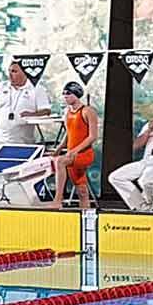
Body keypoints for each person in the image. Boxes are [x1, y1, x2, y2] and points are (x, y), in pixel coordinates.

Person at [111, 95, 153, 212]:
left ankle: (149, 204)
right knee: (115, 177)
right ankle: (142, 206)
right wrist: (148, 131)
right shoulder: (150, 124)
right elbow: (136, 145)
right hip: (146, 160)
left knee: (144, 181)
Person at [0, 60, 53, 155]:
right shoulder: (0, 87)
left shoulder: (36, 89)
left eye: (14, 71)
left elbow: (46, 111)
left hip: (23, 142)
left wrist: (32, 114)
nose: (10, 75)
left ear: (24, 73)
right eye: (9, 71)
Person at [52, 82, 100, 210]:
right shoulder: (67, 112)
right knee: (82, 191)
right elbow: (68, 134)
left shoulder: (87, 111)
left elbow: (93, 136)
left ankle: (57, 200)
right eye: (63, 94)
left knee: (60, 162)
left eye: (68, 93)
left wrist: (75, 151)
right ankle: (86, 215)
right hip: (72, 154)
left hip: (84, 154)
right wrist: (58, 149)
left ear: (76, 94)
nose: (65, 96)